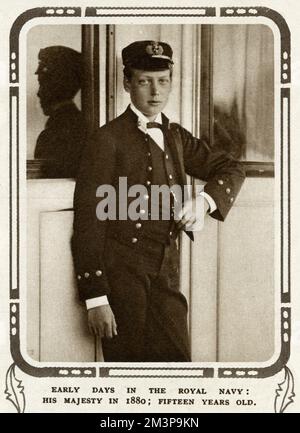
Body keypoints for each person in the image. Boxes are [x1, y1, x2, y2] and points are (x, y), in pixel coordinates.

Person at [72, 40, 245, 362]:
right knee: (127, 370)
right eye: (143, 81)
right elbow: (87, 223)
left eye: (163, 81)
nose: (155, 92)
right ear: (127, 83)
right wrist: (96, 298)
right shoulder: (106, 140)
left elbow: (230, 168)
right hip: (122, 277)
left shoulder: (176, 137)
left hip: (167, 271)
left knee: (178, 364)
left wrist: (204, 201)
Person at [34, 45, 87, 178]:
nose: (38, 93)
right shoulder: (79, 125)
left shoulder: (54, 135)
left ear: (58, 85)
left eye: (42, 83)